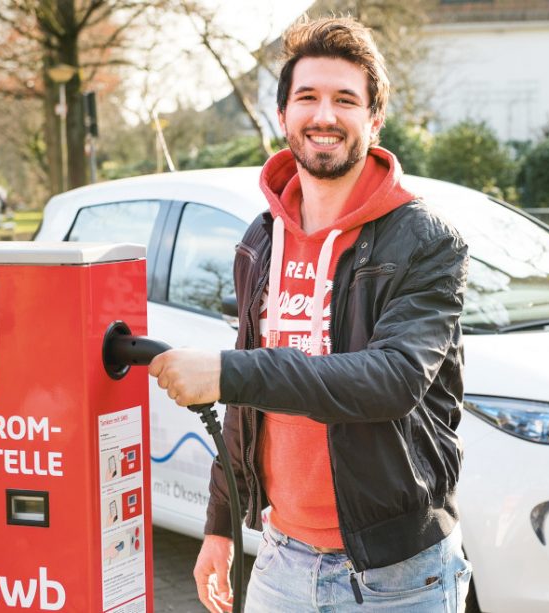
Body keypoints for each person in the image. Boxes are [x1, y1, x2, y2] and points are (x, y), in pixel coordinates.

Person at [149, 15, 470, 613]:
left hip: (396, 576)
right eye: (308, 98)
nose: (325, 115)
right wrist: (220, 524)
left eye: (346, 99)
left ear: (374, 120)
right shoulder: (260, 240)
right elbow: (244, 409)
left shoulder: (424, 242)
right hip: (280, 559)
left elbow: (392, 381)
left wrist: (229, 371)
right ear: (284, 116)